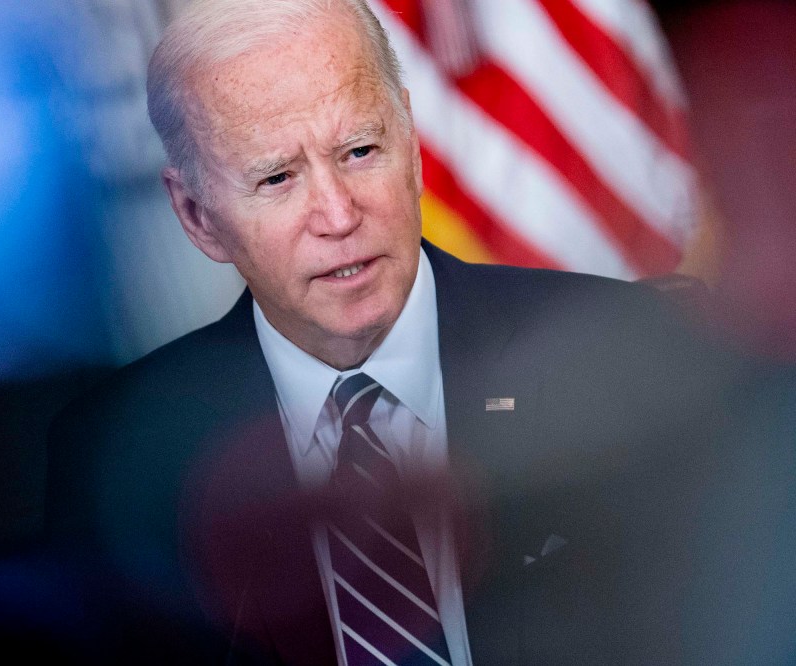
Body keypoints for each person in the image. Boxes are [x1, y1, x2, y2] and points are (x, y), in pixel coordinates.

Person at [47, 1, 720, 663]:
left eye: (361, 150)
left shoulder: (615, 352)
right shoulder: (123, 459)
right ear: (196, 216)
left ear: (412, 144)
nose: (338, 215)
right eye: (278, 178)